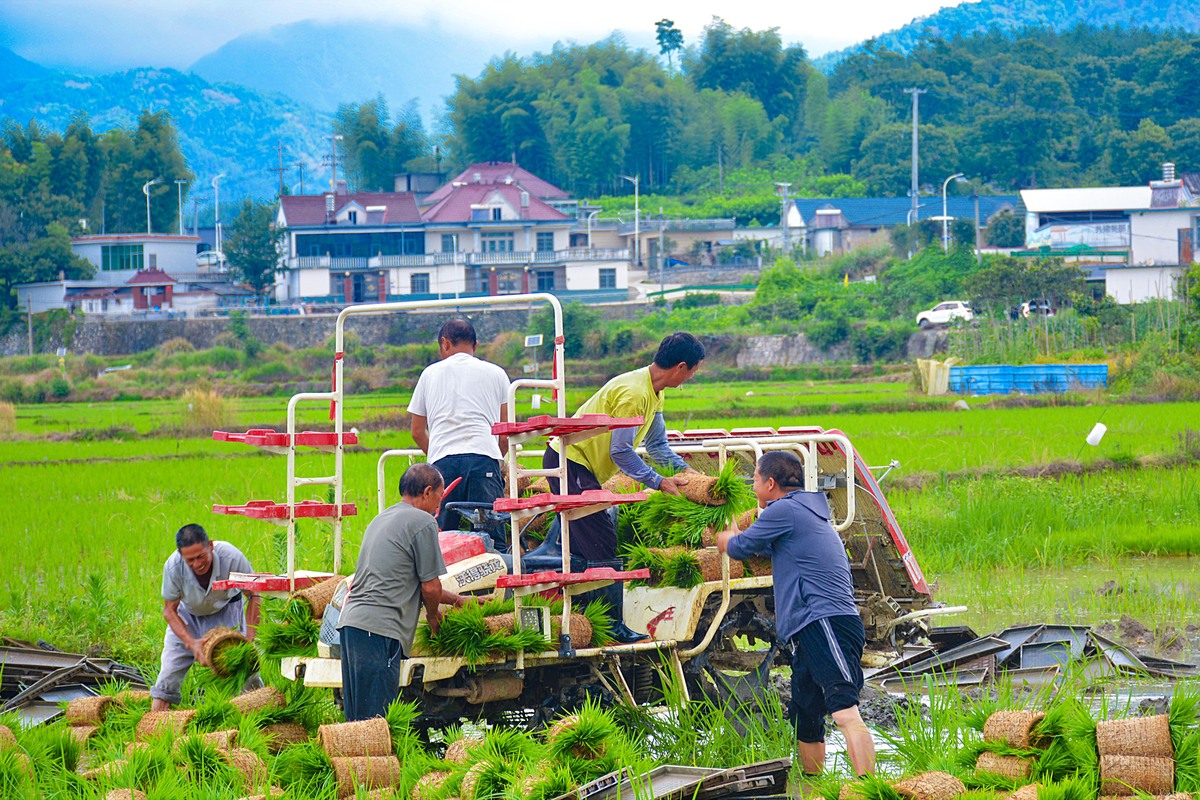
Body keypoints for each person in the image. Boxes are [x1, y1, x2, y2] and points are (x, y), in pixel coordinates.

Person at [716, 451, 876, 777]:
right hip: (809, 626)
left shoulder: (785, 509)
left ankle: (868, 789)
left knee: (844, 710)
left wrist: (723, 540)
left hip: (825, 620)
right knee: (806, 716)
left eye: (755, 480)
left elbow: (741, 548)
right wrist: (736, 530)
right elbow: (758, 546)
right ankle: (814, 786)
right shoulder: (803, 511)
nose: (753, 486)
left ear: (770, 483)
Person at [542, 331, 705, 644]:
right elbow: (621, 450)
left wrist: (688, 474)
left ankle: (582, 618)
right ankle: (613, 628)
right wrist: (658, 481)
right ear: (681, 367)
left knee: (586, 541)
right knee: (601, 539)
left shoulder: (654, 393)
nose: (693, 376)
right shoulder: (634, 393)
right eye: (695, 369)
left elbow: (657, 446)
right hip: (570, 462)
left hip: (582, 467)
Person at [336, 463, 470, 721]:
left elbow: (402, 580)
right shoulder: (422, 522)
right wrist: (433, 617)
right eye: (439, 498)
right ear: (428, 492)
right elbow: (429, 587)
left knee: (356, 721)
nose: (438, 507)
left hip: (352, 626)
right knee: (377, 722)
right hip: (380, 631)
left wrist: (456, 600)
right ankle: (374, 763)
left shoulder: (382, 518)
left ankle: (352, 761)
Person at [409, 318, 511, 530]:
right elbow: (505, 434)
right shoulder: (497, 373)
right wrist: (496, 458)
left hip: (443, 465)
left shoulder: (429, 374)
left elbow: (417, 431)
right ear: (475, 346)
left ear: (445, 343)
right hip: (484, 458)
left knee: (443, 539)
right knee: (491, 538)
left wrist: (437, 453)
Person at [150, 524, 261, 711]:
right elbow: (169, 610)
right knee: (166, 679)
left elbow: (254, 594)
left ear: (210, 545)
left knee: (245, 671)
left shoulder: (231, 557)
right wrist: (191, 643)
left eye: (201, 556)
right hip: (188, 618)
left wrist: (249, 640)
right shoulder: (173, 566)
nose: (197, 564)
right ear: (181, 554)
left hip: (226, 613)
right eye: (190, 560)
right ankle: (155, 729)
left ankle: (262, 714)